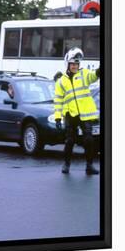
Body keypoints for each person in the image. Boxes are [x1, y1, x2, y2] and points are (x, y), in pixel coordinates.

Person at [54, 47, 100, 175]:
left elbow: (93, 76)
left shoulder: (84, 74)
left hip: (84, 114)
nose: (75, 66)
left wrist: (99, 71)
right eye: (73, 64)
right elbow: (58, 100)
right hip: (70, 114)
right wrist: (58, 117)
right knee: (70, 141)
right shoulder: (61, 81)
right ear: (68, 64)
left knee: (89, 140)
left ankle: (89, 166)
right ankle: (66, 164)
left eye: (77, 64)